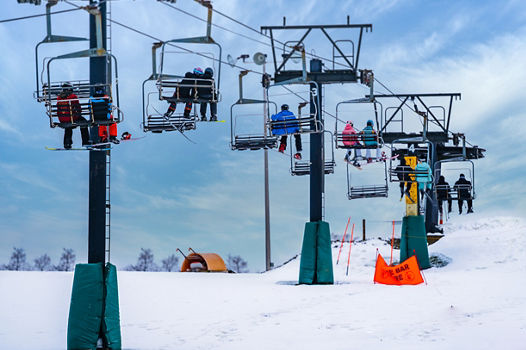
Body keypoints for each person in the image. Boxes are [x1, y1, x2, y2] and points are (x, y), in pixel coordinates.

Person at [56, 82, 90, 149]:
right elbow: (78, 108)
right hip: (72, 118)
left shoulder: (59, 98)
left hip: (62, 118)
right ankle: (86, 142)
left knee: (68, 126)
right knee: (83, 122)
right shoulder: (73, 96)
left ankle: (67, 143)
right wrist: (78, 113)